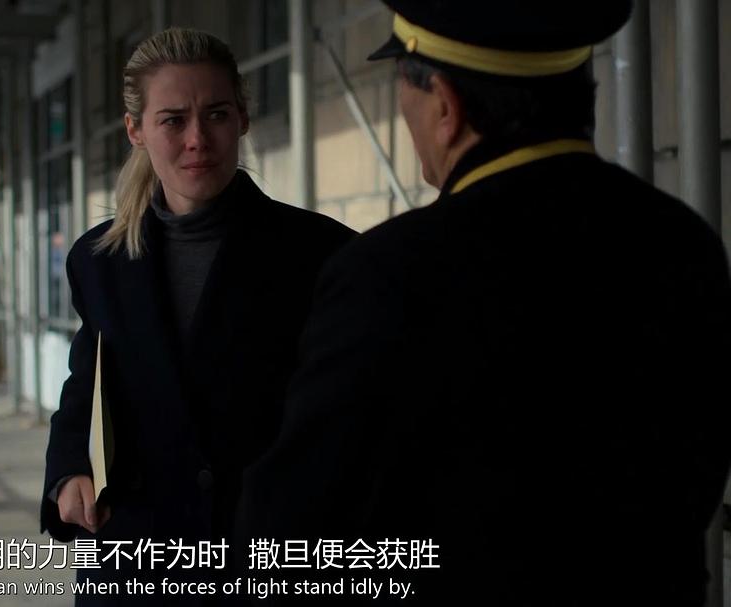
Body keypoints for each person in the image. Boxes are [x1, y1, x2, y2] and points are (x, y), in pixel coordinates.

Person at [237, 2, 731, 605]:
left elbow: (292, 529)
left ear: (446, 107)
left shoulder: (391, 273)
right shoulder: (684, 242)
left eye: (403, 87)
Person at [40, 27, 355, 604]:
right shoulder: (100, 260)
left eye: (215, 115)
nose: (197, 140)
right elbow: (89, 382)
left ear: (243, 118)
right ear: (135, 130)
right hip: (135, 561)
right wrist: (69, 470)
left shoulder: (322, 254)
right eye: (173, 120)